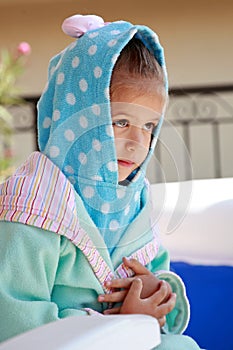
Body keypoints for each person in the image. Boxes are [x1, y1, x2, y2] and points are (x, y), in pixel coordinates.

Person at [0, 14, 201, 349]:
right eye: (121, 121)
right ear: (75, 119)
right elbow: (13, 321)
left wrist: (153, 291)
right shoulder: (32, 204)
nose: (138, 142)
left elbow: (155, 279)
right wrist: (120, 326)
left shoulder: (132, 201)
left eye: (149, 126)